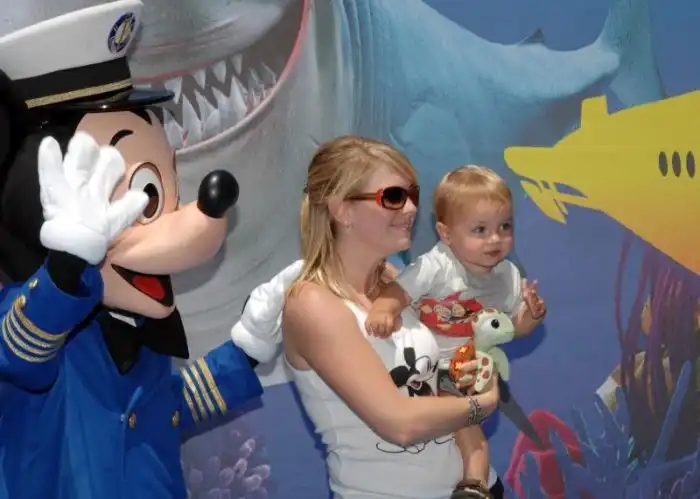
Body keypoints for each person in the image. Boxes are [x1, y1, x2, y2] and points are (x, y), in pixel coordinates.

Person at [0, 2, 262, 497]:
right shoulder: (33, 322)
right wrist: (65, 270)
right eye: (142, 199)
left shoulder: (136, 328)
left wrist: (245, 351)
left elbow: (167, 410)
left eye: (161, 195)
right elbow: (20, 351)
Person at [273, 136, 502, 499]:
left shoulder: (397, 282)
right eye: (393, 197)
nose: (410, 208)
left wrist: (474, 480)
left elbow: (442, 384)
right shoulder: (311, 304)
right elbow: (400, 424)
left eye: (412, 194)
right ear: (342, 210)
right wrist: (482, 404)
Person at [365, 166, 547, 497]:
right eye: (480, 230)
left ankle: (474, 486)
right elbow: (400, 290)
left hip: (467, 371)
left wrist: (531, 316)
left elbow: (512, 329)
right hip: (421, 368)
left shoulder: (507, 276)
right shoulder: (436, 265)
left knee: (467, 427)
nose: (495, 238)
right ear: (446, 234)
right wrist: (383, 309)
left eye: (505, 227)